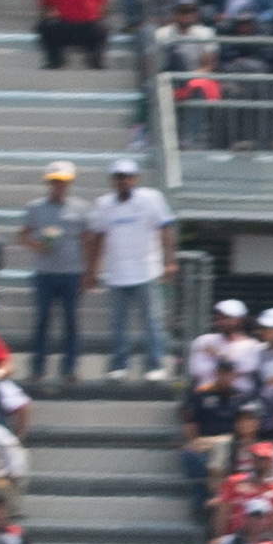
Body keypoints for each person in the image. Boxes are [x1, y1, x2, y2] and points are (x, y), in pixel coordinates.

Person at [84, 154, 175, 377]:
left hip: (146, 270)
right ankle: (119, 364)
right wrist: (92, 271)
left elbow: (165, 229)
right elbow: (97, 237)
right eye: (118, 177)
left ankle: (155, 364)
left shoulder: (151, 198)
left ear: (135, 178)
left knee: (152, 321)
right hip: (117, 273)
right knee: (118, 323)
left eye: (127, 177)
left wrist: (169, 261)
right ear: (112, 180)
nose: (122, 181)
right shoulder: (104, 204)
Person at [15, 159, 90, 385]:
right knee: (42, 320)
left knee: (71, 321)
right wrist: (38, 246)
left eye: (63, 182)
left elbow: (88, 240)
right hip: (45, 273)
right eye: (55, 182)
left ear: (70, 183)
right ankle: (38, 367)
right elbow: (23, 235)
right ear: (49, 183)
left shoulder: (81, 208)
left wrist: (89, 270)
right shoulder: (35, 208)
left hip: (71, 272)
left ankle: (70, 368)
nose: (59, 186)